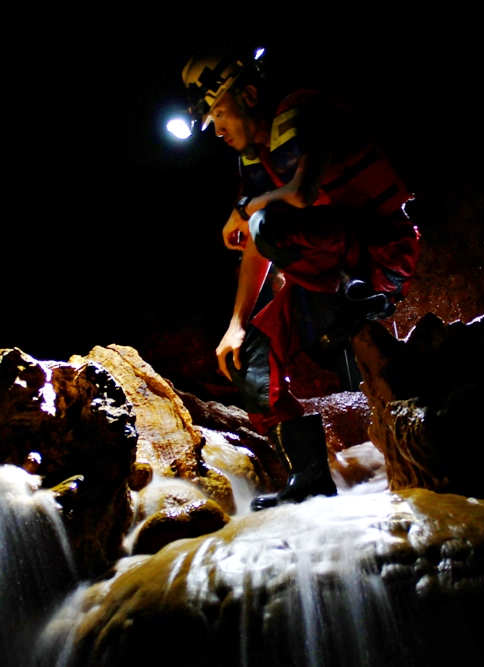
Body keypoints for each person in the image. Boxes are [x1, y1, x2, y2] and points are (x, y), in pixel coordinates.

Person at [181, 47, 419, 510]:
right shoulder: (253, 161)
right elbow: (256, 241)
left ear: (249, 95)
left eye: (219, 114)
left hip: (376, 258)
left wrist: (246, 209)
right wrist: (235, 324)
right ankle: (310, 479)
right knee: (247, 362)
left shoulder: (304, 111)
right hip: (324, 279)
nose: (219, 130)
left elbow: (302, 195)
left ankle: (355, 305)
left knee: (266, 224)